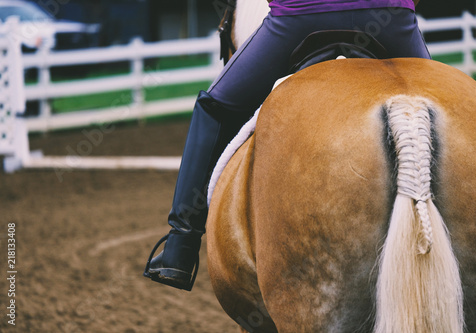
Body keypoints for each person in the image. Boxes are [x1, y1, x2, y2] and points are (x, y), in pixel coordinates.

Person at [144, 0, 430, 291]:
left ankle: (180, 247)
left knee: (213, 107)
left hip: (301, 18)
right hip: (390, 18)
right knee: (447, 106)